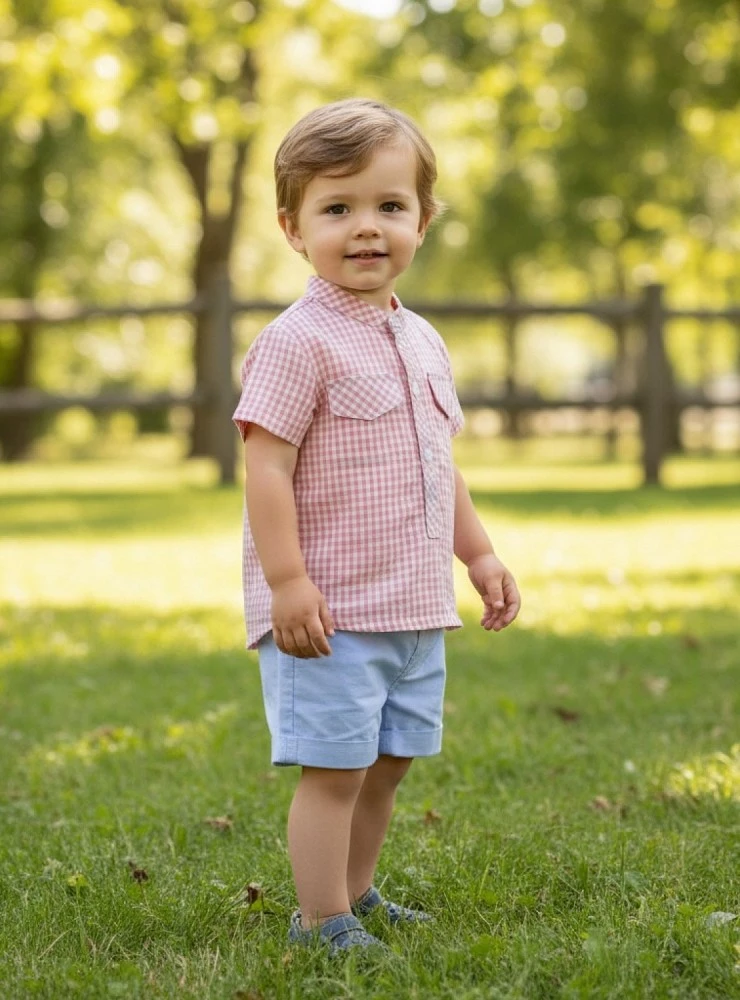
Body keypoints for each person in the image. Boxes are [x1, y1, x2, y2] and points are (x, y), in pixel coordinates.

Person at [232, 98, 520, 954]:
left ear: (423, 221)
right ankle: (320, 919)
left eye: (390, 205)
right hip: (332, 611)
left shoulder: (423, 340)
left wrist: (479, 554)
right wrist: (287, 583)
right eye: (337, 208)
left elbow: (440, 462)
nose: (367, 227)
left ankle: (357, 894)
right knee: (336, 769)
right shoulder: (297, 342)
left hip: (413, 606)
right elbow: (266, 468)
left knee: (389, 763)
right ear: (293, 228)